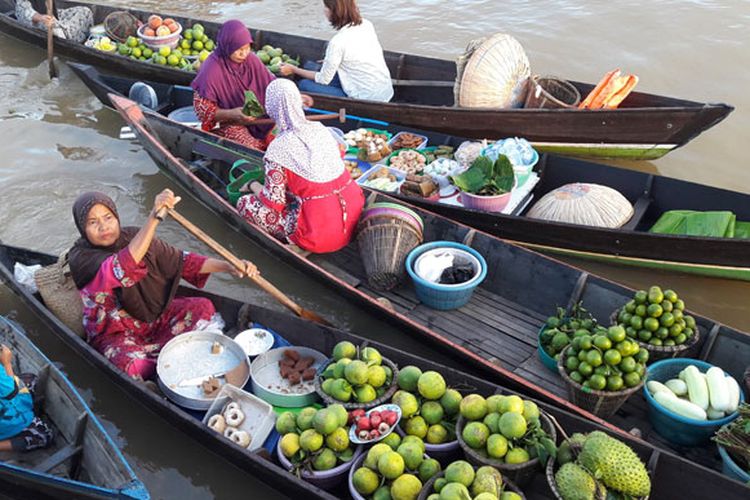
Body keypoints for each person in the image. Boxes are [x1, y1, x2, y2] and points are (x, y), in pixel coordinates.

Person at [68, 189, 258, 381]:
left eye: (108, 217)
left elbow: (182, 261)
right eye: (93, 222)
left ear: (116, 217)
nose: (103, 227)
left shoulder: (134, 236)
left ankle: (176, 359)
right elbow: (122, 268)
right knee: (131, 365)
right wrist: (153, 217)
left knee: (203, 307)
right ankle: (166, 371)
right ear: (83, 229)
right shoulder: (81, 258)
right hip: (114, 331)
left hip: (151, 320)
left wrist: (228, 266)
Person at [237, 79, 364, 253]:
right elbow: (339, 155)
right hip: (353, 214)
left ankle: (298, 240)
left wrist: (253, 185)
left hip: (319, 234)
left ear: (270, 107)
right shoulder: (321, 129)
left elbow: (275, 203)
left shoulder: (278, 149)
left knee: (245, 203)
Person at [191, 20, 313, 151]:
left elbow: (273, 86)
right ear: (227, 46)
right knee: (253, 149)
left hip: (263, 119)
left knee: (289, 136)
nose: (243, 54)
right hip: (230, 124)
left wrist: (296, 97)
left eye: (247, 48)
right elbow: (203, 112)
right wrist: (232, 114)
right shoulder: (211, 70)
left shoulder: (251, 60)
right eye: (238, 50)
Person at [279, 0, 393, 102]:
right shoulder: (366, 24)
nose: (324, 11)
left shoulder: (337, 43)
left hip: (365, 97)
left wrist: (294, 69)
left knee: (303, 84)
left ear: (334, 12)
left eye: (326, 7)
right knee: (309, 66)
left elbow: (323, 80)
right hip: (384, 90)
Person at [0, 345, 53, 453]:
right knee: (44, 435)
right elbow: (12, 391)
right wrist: (6, 363)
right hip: (6, 419)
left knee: (31, 379)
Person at [15, 0, 93, 44]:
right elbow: (26, 12)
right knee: (53, 26)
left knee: (85, 11)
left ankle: (72, 33)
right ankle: (70, 37)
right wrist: (41, 18)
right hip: (36, 22)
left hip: (54, 16)